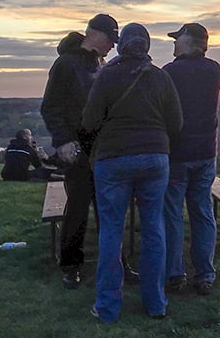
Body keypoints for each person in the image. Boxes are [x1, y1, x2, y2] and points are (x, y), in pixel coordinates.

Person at [83, 23, 182, 323]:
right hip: (155, 158)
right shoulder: (161, 77)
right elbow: (176, 123)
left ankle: (109, 307)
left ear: (123, 45)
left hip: (113, 160)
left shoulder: (107, 76)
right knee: (154, 230)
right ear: (147, 46)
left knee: (112, 231)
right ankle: (156, 304)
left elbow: (89, 121)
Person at [40, 13, 118, 289]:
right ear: (94, 34)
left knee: (108, 208)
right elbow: (50, 107)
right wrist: (62, 141)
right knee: (77, 209)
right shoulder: (66, 64)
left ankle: (113, 264)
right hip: (77, 149)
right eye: (110, 39)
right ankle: (71, 266)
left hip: (104, 148)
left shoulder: (101, 63)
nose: (112, 45)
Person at [162, 23, 220, 296]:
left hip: (177, 154)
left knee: (173, 214)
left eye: (177, 39)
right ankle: (205, 275)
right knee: (203, 213)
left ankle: (175, 274)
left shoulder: (170, 72)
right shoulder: (214, 70)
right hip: (205, 153)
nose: (173, 44)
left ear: (188, 41)